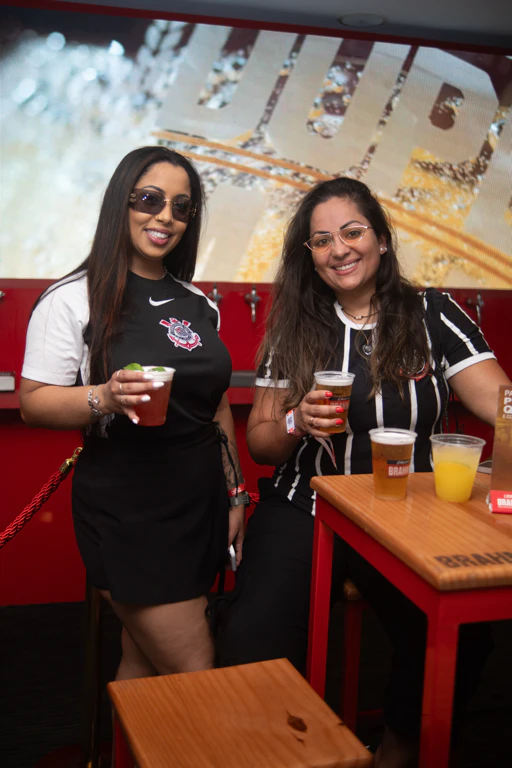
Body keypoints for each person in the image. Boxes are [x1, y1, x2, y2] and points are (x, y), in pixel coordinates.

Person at [217, 177, 510, 767]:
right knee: (253, 637)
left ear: (380, 239)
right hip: (308, 504)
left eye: (352, 232)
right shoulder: (296, 324)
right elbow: (263, 443)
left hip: (411, 508)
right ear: (310, 255)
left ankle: (397, 748)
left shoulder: (431, 312)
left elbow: (499, 401)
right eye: (322, 241)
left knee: (460, 634)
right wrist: (297, 420)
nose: (339, 249)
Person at [20, 146, 247, 680]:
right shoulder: (72, 298)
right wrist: (105, 396)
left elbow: (215, 405)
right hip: (130, 510)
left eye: (181, 207)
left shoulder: (199, 303)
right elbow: (34, 402)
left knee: (143, 659)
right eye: (149, 200)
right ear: (120, 202)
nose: (165, 216)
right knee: (196, 670)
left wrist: (235, 493)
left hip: (199, 502)